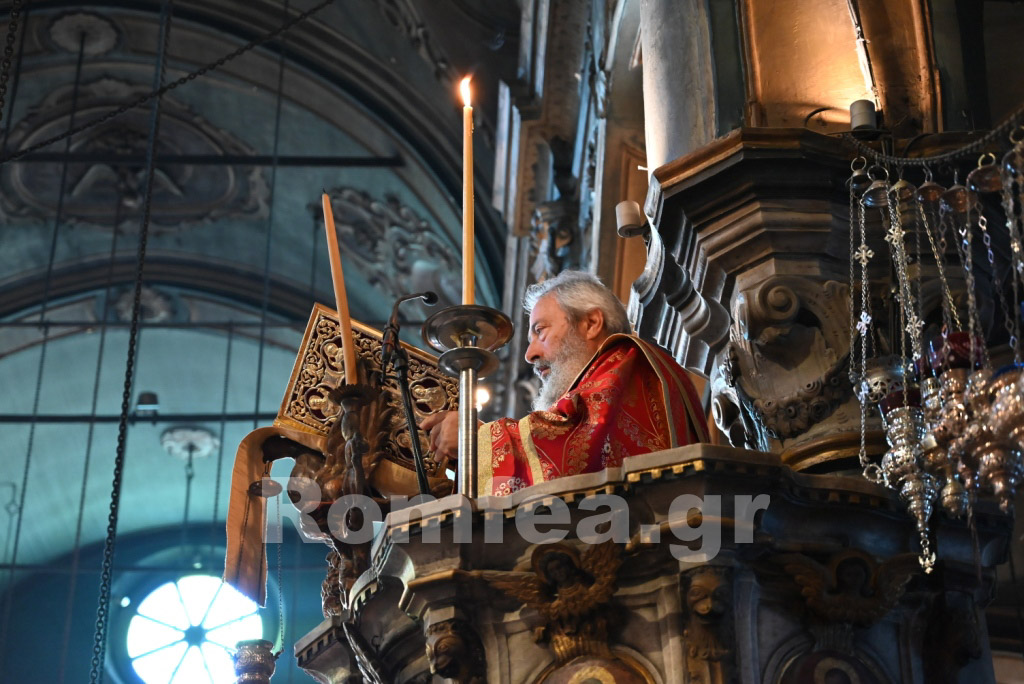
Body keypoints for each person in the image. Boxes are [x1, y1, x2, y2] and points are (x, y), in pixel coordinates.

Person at [420, 270, 708, 496]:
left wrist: (477, 441)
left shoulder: (626, 359)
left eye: (540, 331)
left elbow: (573, 447)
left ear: (591, 323)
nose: (530, 354)